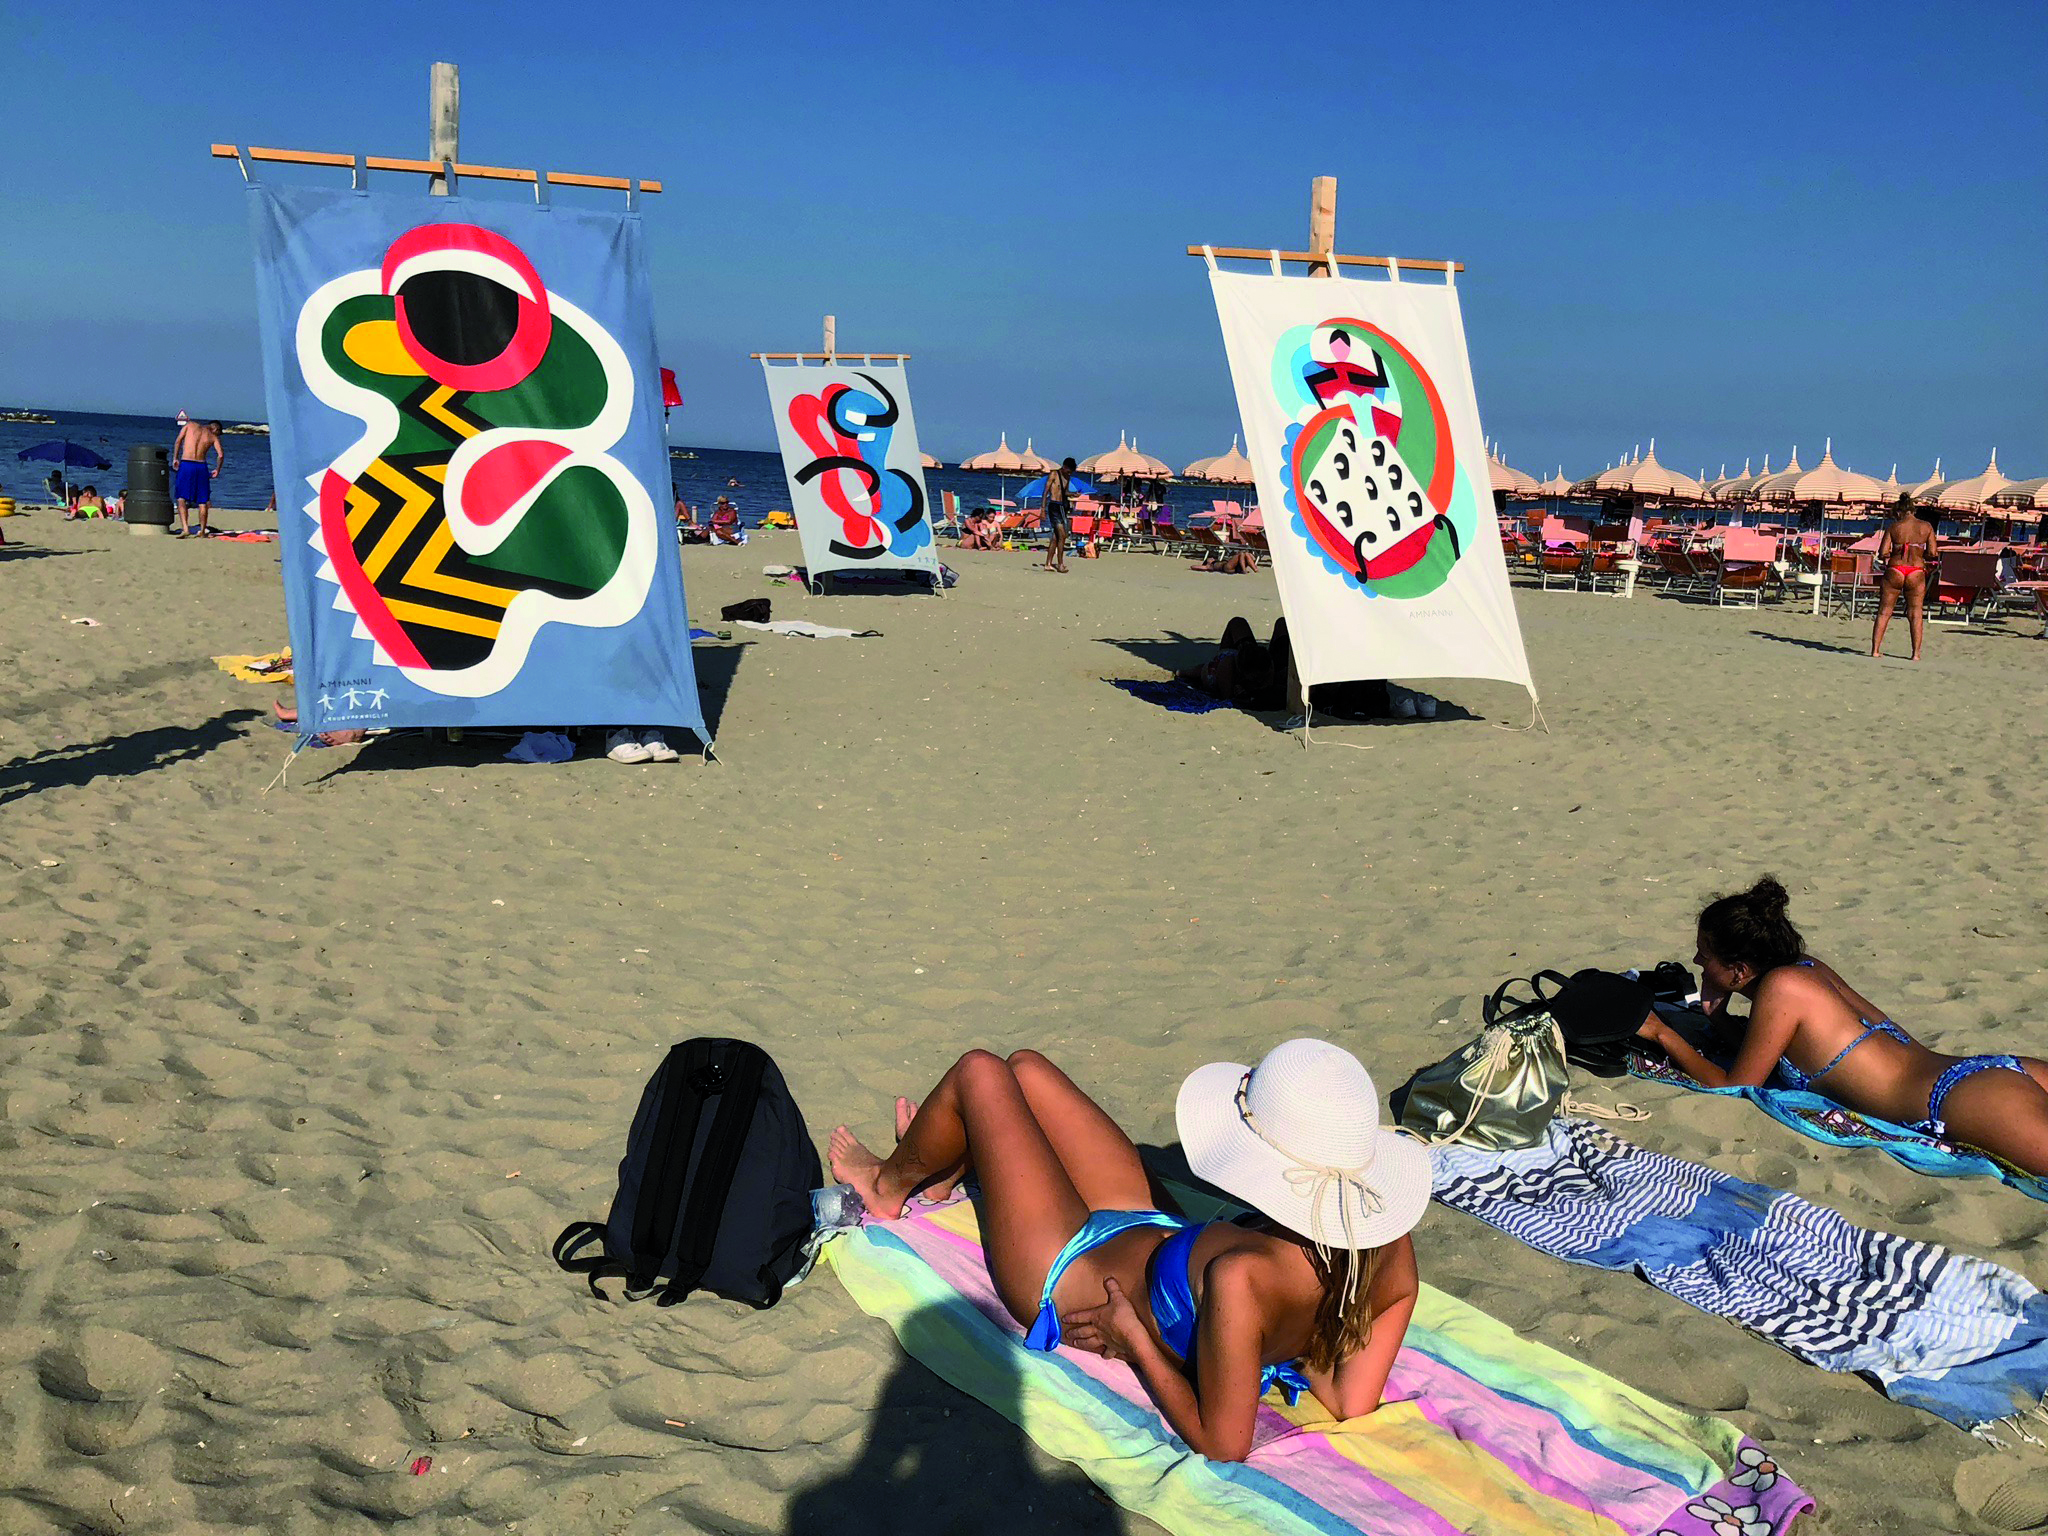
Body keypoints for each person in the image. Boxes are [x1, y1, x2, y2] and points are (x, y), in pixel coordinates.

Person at [828, 1039, 1427, 1462]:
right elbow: (1351, 1398)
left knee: (981, 1073)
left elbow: (1224, 1444)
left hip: (1065, 1271)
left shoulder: (1245, 1277)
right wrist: (1306, 1348)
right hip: (1148, 1226)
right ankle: (943, 1166)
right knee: (1027, 1070)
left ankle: (889, 1185)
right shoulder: (1389, 1250)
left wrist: (1137, 1340)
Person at [1635, 876, 2048, 1171]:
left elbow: (1736, 1086)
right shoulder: (1808, 970)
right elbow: (1767, 1050)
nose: (1697, 963)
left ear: (1739, 970)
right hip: (1985, 1072)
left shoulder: (1782, 989)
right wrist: (1719, 1019)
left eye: (1704, 954)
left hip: (1956, 1104)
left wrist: (1662, 1033)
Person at [1870, 494, 1938, 660]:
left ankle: (1875, 650)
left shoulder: (1894, 527)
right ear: (1913, 510)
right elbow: (1932, 552)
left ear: (1899, 512)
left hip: (1895, 569)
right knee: (1916, 613)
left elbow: (1883, 552)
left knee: (1884, 611)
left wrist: (1897, 550)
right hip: (1915, 570)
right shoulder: (1926, 527)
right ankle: (1915, 654)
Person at [173, 416, 225, 537]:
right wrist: (218, 469)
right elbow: (221, 455)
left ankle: (185, 528)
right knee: (202, 500)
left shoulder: (190, 425)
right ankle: (202, 531)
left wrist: (175, 458)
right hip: (201, 466)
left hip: (186, 463)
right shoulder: (212, 436)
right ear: (215, 428)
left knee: (181, 498)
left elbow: (178, 441)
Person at [1041, 457, 1078, 573]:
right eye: (1069, 470)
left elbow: (1065, 492)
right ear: (1065, 467)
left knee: (1056, 537)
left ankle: (1048, 563)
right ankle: (1060, 564)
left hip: (1062, 507)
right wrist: (1042, 509)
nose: (1069, 473)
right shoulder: (1054, 474)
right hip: (1054, 506)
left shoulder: (1068, 477)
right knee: (1062, 535)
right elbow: (1046, 491)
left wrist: (1073, 494)